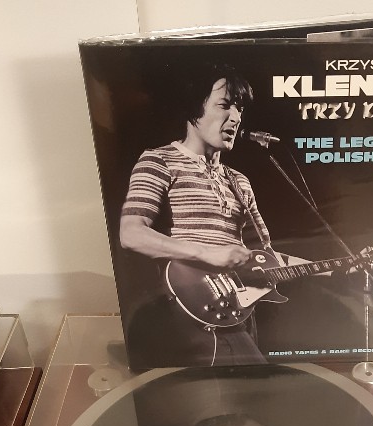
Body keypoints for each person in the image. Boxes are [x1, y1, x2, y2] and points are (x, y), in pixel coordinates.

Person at [119, 64, 282, 368]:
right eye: (224, 105)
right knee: (256, 388)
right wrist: (208, 253)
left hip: (237, 308)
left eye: (240, 109)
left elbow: (265, 254)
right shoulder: (159, 160)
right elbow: (131, 233)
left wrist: (338, 267)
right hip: (188, 306)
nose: (236, 117)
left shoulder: (239, 180)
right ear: (194, 107)